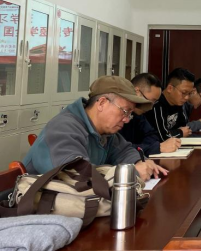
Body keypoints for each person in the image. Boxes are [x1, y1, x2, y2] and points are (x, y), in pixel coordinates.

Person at [23, 76, 168, 181]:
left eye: (129, 113)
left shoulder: (105, 132)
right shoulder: (64, 128)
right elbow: (75, 176)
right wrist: (131, 173)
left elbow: (124, 151)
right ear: (102, 103)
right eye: (124, 111)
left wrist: (139, 162)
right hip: (38, 208)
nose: (126, 119)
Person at [119, 73, 181, 156]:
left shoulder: (138, 114)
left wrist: (145, 147)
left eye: (154, 102)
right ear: (137, 92)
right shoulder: (118, 114)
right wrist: (155, 148)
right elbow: (120, 149)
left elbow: (152, 136)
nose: (151, 107)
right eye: (150, 101)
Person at [146, 68, 201, 140]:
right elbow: (162, 136)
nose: (186, 97)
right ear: (170, 88)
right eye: (184, 92)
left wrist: (179, 132)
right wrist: (180, 132)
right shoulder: (157, 104)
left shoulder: (179, 103)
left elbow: (185, 128)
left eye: (189, 93)